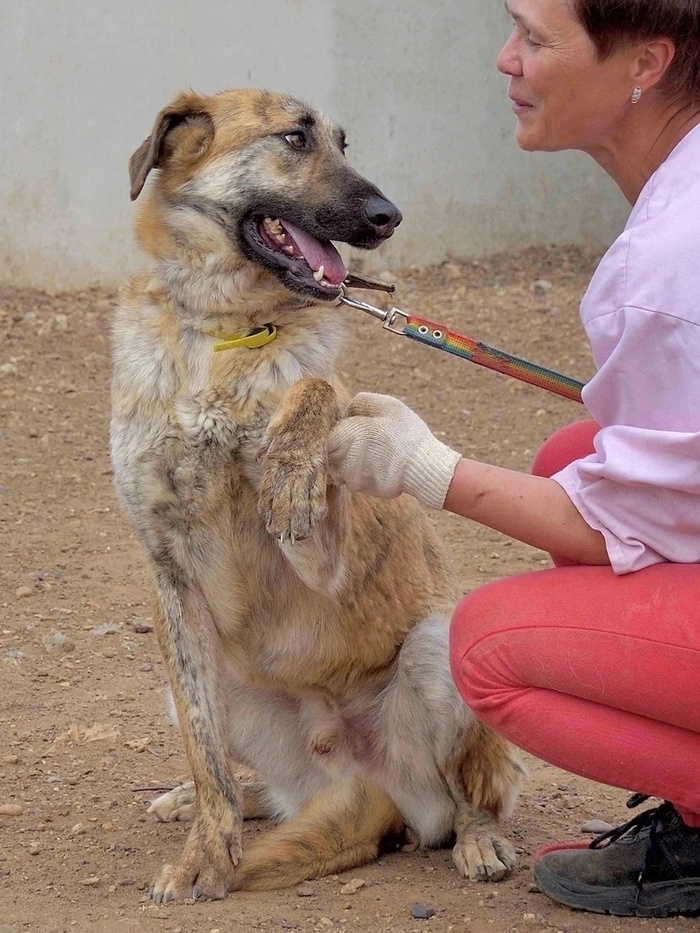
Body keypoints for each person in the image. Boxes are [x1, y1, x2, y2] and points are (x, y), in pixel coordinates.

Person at [327, 0, 700, 919]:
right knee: (574, 452)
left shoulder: (668, 265)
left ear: (646, 62)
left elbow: (613, 522)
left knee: (488, 647)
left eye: (535, 37)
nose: (506, 59)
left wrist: (422, 465)